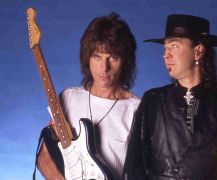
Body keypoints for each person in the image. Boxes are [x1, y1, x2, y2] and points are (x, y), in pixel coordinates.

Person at [123, 14, 217, 179]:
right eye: (165, 48)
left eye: (174, 46)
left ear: (198, 51)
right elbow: (134, 165)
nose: (166, 55)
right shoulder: (153, 100)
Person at [36, 13, 140, 180]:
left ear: (125, 62)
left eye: (113, 58)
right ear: (87, 58)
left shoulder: (138, 109)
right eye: (97, 56)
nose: (103, 67)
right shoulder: (68, 97)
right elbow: (44, 158)